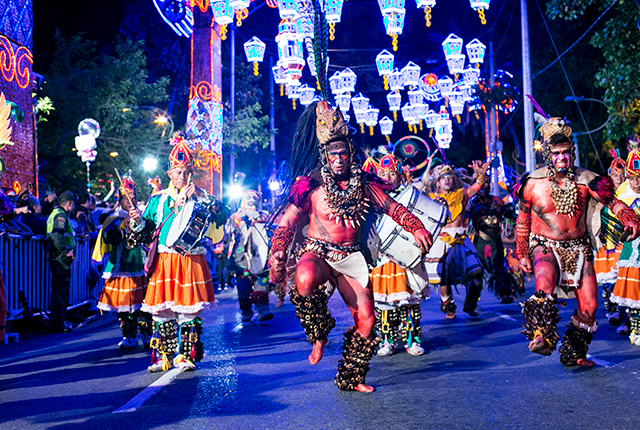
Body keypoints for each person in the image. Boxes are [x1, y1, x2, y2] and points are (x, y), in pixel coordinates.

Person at [268, 101, 432, 393]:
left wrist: (417, 227)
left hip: (351, 258)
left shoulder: (365, 185)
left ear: (351, 154)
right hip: (317, 252)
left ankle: (352, 377)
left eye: (344, 154)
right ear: (325, 157)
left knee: (367, 320)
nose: (339, 160)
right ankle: (318, 335)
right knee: (304, 280)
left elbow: (393, 208)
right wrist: (278, 250)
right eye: (333, 155)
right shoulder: (310, 186)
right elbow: (287, 221)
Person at [516, 118, 640, 366]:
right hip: (545, 245)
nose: (561, 157)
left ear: (571, 152)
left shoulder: (587, 179)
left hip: (579, 248)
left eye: (565, 152)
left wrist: (629, 217)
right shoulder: (531, 184)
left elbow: (612, 202)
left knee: (591, 305)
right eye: (556, 152)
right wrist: (522, 253)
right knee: (544, 286)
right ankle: (542, 337)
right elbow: (522, 223)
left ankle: (574, 352)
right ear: (547, 155)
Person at [129, 132, 224, 372]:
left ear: (190, 174)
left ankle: (185, 355)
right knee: (161, 309)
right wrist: (136, 222)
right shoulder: (157, 199)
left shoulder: (202, 198)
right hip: (165, 258)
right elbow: (145, 232)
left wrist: (200, 196)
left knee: (187, 309)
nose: (181, 176)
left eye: (185, 173)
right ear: (169, 174)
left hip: (189, 258)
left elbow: (222, 216)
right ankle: (164, 356)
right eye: (177, 172)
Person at [365, 149, 430, 357]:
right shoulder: (373, 198)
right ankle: (387, 340)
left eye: (392, 173)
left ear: (400, 175)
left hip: (406, 256)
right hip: (382, 257)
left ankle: (412, 340)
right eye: (383, 174)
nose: (387, 178)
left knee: (409, 301)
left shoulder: (408, 194)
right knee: (384, 303)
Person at [93, 174, 151, 349]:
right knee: (124, 307)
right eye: (126, 199)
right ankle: (129, 336)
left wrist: (137, 223)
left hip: (140, 268)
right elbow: (108, 237)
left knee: (143, 306)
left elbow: (149, 238)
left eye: (133, 199)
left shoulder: (142, 218)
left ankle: (147, 334)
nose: (130, 203)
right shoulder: (114, 219)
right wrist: (122, 228)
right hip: (121, 269)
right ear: (120, 200)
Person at [424, 162, 488, 318]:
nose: (447, 180)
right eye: (443, 178)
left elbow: (478, 186)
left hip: (461, 238)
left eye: (450, 177)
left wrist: (481, 174)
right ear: (438, 182)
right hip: (441, 239)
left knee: (476, 272)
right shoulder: (431, 197)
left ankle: (470, 304)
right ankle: (449, 306)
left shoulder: (462, 194)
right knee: (443, 276)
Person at [467, 181, 519, 304]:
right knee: (477, 270)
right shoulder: (472, 202)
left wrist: (503, 211)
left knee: (499, 267)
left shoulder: (496, 200)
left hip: (495, 239)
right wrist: (476, 213)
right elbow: (463, 217)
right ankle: (472, 300)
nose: (483, 188)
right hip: (480, 240)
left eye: (485, 185)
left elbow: (511, 215)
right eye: (481, 185)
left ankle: (505, 294)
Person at [225, 189, 273, 322]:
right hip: (241, 256)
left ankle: (263, 309)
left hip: (260, 256)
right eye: (248, 197)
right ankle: (246, 311)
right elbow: (228, 234)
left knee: (261, 282)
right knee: (243, 285)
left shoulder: (264, 215)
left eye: (254, 198)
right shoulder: (235, 216)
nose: (251, 200)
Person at [610, 137, 640, 345]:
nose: (636, 183)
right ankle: (635, 327)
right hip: (631, 249)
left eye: (639, 178)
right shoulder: (621, 194)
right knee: (633, 292)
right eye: (632, 178)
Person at [594, 149, 627, 326]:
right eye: (616, 175)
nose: (619, 179)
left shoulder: (628, 192)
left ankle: (625, 317)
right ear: (610, 175)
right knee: (608, 281)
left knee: (623, 279)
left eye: (622, 176)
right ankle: (613, 311)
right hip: (606, 242)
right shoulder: (603, 194)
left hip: (623, 241)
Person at [46, 191, 76, 333]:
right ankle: (58, 323)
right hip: (60, 258)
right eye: (73, 203)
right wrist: (65, 252)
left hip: (56, 256)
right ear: (69, 203)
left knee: (58, 290)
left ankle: (58, 321)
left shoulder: (54, 213)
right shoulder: (61, 215)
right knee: (61, 292)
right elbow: (57, 235)